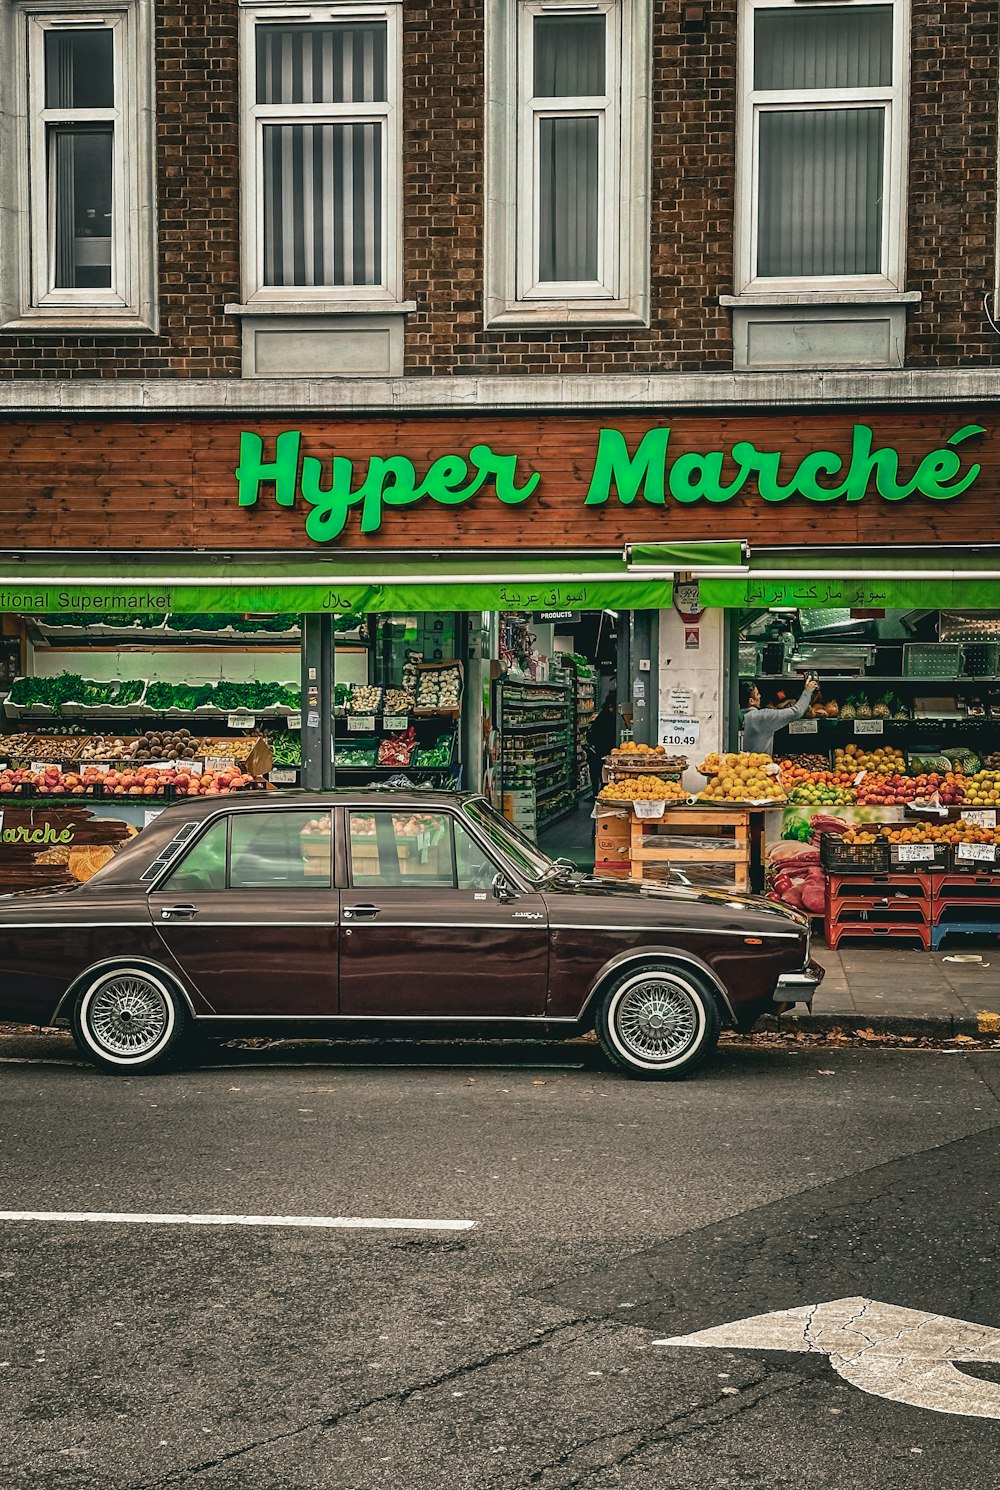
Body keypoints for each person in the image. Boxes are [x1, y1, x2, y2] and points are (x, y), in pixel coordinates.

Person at [741, 676, 819, 756]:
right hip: (760, 765)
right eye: (757, 694)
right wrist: (808, 691)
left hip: (738, 765)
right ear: (751, 701)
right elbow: (797, 711)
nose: (760, 696)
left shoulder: (733, 716)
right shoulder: (763, 717)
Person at [586, 691, 618, 799]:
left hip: (598, 750)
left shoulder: (601, 716)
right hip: (602, 751)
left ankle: (597, 793)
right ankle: (600, 793)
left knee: (597, 773)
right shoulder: (609, 718)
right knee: (603, 773)